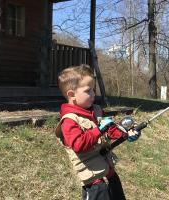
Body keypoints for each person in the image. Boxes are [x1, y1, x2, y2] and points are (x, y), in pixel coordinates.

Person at [55, 64, 141, 200]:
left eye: (93, 90)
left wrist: (125, 133)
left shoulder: (96, 110)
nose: (93, 94)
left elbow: (111, 130)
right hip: (93, 178)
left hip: (108, 170)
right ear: (71, 95)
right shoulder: (69, 120)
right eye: (88, 91)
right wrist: (99, 129)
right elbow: (79, 145)